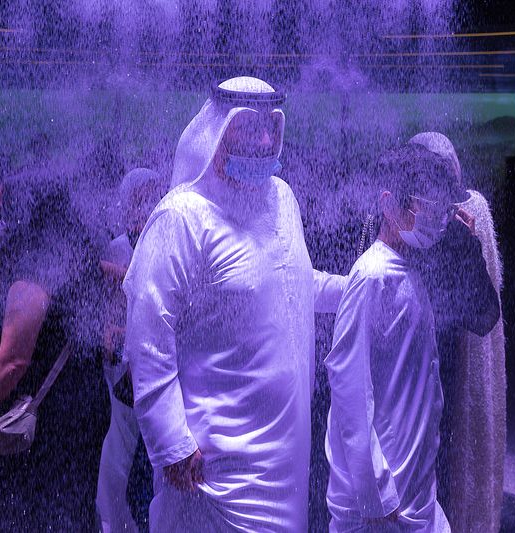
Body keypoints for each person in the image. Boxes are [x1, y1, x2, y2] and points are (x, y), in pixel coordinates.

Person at [122, 76, 344, 532]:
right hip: (212, 468)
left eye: (271, 127)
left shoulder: (282, 200)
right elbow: (149, 334)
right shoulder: (183, 216)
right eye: (249, 127)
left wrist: (365, 285)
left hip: (285, 463)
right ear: (218, 131)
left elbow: (296, 283)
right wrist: (171, 445)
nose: (264, 141)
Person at [0, 173, 110, 532]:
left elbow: (15, 360)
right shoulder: (76, 239)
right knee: (73, 505)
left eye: (6, 194)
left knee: (27, 512)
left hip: (44, 419)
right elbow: (58, 325)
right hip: (83, 402)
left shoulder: (34, 249)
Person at [325, 143, 461, 532]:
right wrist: (374, 494)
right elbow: (350, 394)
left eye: (442, 210)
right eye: (427, 208)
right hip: (379, 503)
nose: (436, 220)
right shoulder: (373, 278)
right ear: (389, 204)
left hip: (411, 486)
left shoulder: (408, 269)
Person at [408, 132, 505, 533]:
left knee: (453, 449)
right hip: (412, 356)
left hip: (456, 352)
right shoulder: (402, 208)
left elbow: (484, 314)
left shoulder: (470, 210)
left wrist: (459, 240)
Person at [97, 167, 166, 533]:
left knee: (150, 450)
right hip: (125, 365)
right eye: (141, 195)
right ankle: (120, 521)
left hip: (157, 361)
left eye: (155, 192)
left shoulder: (165, 238)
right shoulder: (119, 246)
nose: (150, 201)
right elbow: (112, 310)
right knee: (122, 447)